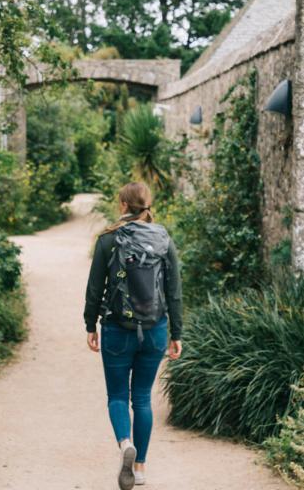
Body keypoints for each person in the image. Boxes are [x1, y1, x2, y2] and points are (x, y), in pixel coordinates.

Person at [83, 181, 183, 490]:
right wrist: (176, 332)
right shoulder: (164, 240)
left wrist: (90, 325)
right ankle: (139, 469)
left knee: (117, 396)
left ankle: (125, 442)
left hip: (116, 328)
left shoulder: (108, 241)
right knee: (141, 397)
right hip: (155, 330)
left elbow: (94, 289)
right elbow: (174, 291)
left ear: (124, 206)